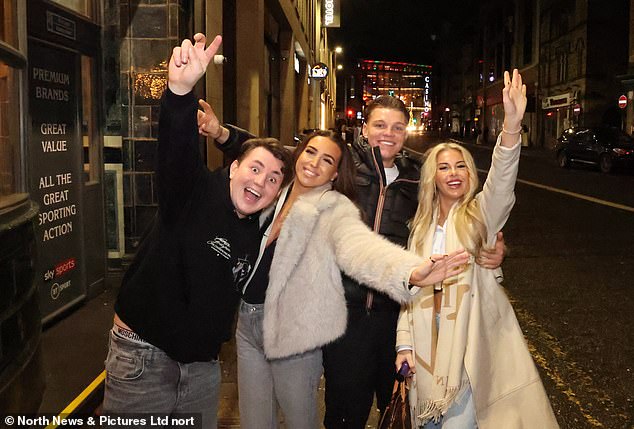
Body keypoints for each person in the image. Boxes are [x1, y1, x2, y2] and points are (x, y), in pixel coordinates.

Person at [198, 93, 506, 428]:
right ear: (364, 127)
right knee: (345, 413)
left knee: (400, 409)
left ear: (405, 133)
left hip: (397, 315)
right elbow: (281, 157)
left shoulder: (418, 177)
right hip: (346, 318)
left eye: (397, 127)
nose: (388, 133)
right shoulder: (341, 166)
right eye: (380, 125)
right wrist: (222, 134)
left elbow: (456, 207)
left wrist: (487, 246)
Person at [102, 34, 294, 429]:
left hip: (202, 371)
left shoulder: (256, 228)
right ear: (234, 167)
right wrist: (180, 90)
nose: (261, 182)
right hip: (144, 359)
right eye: (255, 169)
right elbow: (176, 150)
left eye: (274, 179)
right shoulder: (191, 190)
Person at [395, 70, 558, 428]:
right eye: (444, 167)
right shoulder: (419, 229)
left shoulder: (479, 215)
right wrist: (403, 345)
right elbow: (409, 292)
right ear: (432, 178)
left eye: (461, 167)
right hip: (426, 343)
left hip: (468, 344)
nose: (454, 174)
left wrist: (511, 127)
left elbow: (501, 182)